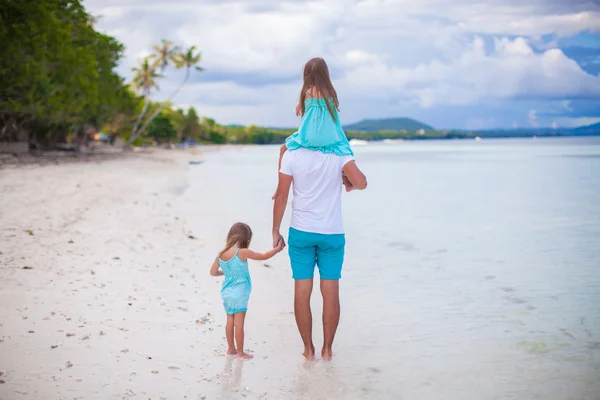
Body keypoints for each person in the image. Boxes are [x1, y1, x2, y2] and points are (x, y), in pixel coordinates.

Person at [271, 58, 368, 361]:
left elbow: (282, 196)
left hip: (300, 232)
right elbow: (362, 183)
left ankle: (308, 350)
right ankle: (328, 350)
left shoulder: (291, 154)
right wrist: (344, 172)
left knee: (302, 290)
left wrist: (274, 231)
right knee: (331, 291)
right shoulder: (339, 154)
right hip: (332, 234)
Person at [274, 57, 355, 194]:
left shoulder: (307, 93)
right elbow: (334, 114)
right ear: (325, 74)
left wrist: (299, 106)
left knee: (283, 149)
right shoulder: (331, 93)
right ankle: (347, 182)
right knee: (342, 149)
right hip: (329, 138)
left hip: (309, 138)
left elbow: (303, 115)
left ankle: (280, 187)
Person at [210, 222, 283, 359]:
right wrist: (277, 249)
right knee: (239, 324)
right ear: (246, 239)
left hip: (226, 292)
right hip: (240, 293)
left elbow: (213, 272)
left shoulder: (221, 254)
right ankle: (240, 352)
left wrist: (225, 273)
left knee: (229, 321)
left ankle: (231, 348)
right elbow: (263, 256)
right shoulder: (242, 252)